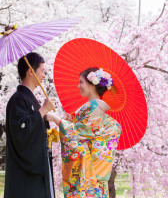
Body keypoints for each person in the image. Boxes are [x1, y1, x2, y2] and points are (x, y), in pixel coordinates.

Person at [46, 67, 121, 198]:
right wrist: (71, 119)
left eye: (81, 82)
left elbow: (75, 134)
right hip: (98, 183)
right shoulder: (94, 111)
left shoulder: (93, 110)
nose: (78, 85)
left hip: (87, 182)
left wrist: (56, 119)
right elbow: (82, 130)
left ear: (92, 84)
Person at [4, 52, 55, 198]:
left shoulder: (28, 98)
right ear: (30, 71)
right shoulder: (18, 99)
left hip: (37, 166)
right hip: (25, 172)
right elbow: (20, 131)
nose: (44, 76)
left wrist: (46, 119)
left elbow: (33, 123)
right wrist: (43, 109)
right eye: (42, 71)